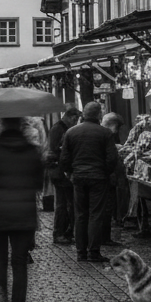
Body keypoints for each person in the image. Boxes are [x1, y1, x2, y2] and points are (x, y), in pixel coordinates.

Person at [0, 116, 45, 302]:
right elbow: (39, 182)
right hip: (24, 213)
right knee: (19, 264)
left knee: (1, 260)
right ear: (20, 126)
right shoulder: (31, 151)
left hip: (0, 212)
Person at [60, 101, 119, 263]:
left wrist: (70, 172)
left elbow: (64, 158)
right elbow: (112, 158)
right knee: (95, 214)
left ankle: (81, 252)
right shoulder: (105, 133)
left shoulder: (71, 132)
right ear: (99, 114)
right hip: (98, 178)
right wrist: (105, 172)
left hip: (79, 177)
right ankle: (93, 251)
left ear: (84, 115)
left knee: (80, 214)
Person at [47, 107, 80, 246]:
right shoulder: (58, 128)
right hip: (59, 171)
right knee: (63, 203)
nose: (76, 122)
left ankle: (65, 232)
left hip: (60, 170)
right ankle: (59, 233)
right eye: (76, 119)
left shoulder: (60, 128)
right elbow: (56, 149)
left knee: (66, 203)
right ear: (71, 117)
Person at [101, 112, 128, 245]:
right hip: (107, 176)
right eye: (118, 126)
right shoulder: (107, 135)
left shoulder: (103, 134)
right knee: (106, 207)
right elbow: (110, 157)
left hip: (101, 175)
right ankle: (104, 238)